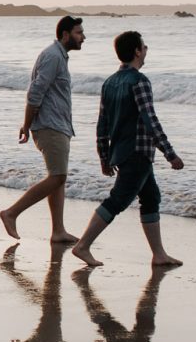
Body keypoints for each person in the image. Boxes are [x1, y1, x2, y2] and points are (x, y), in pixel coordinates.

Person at [69, 31, 184, 267]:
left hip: (122, 152)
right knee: (118, 200)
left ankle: (159, 255)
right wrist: (170, 153)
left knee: (151, 198)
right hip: (137, 152)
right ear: (137, 51)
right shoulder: (140, 81)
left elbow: (102, 123)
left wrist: (104, 156)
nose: (147, 49)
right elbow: (150, 120)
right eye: (144, 45)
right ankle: (83, 245)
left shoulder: (109, 82)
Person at [0, 16, 84, 244]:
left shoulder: (58, 56)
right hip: (49, 125)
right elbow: (35, 92)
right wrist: (26, 125)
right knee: (58, 176)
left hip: (57, 125)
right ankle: (11, 213)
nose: (83, 37)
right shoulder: (53, 56)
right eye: (78, 33)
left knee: (58, 178)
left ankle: (58, 231)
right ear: (65, 34)